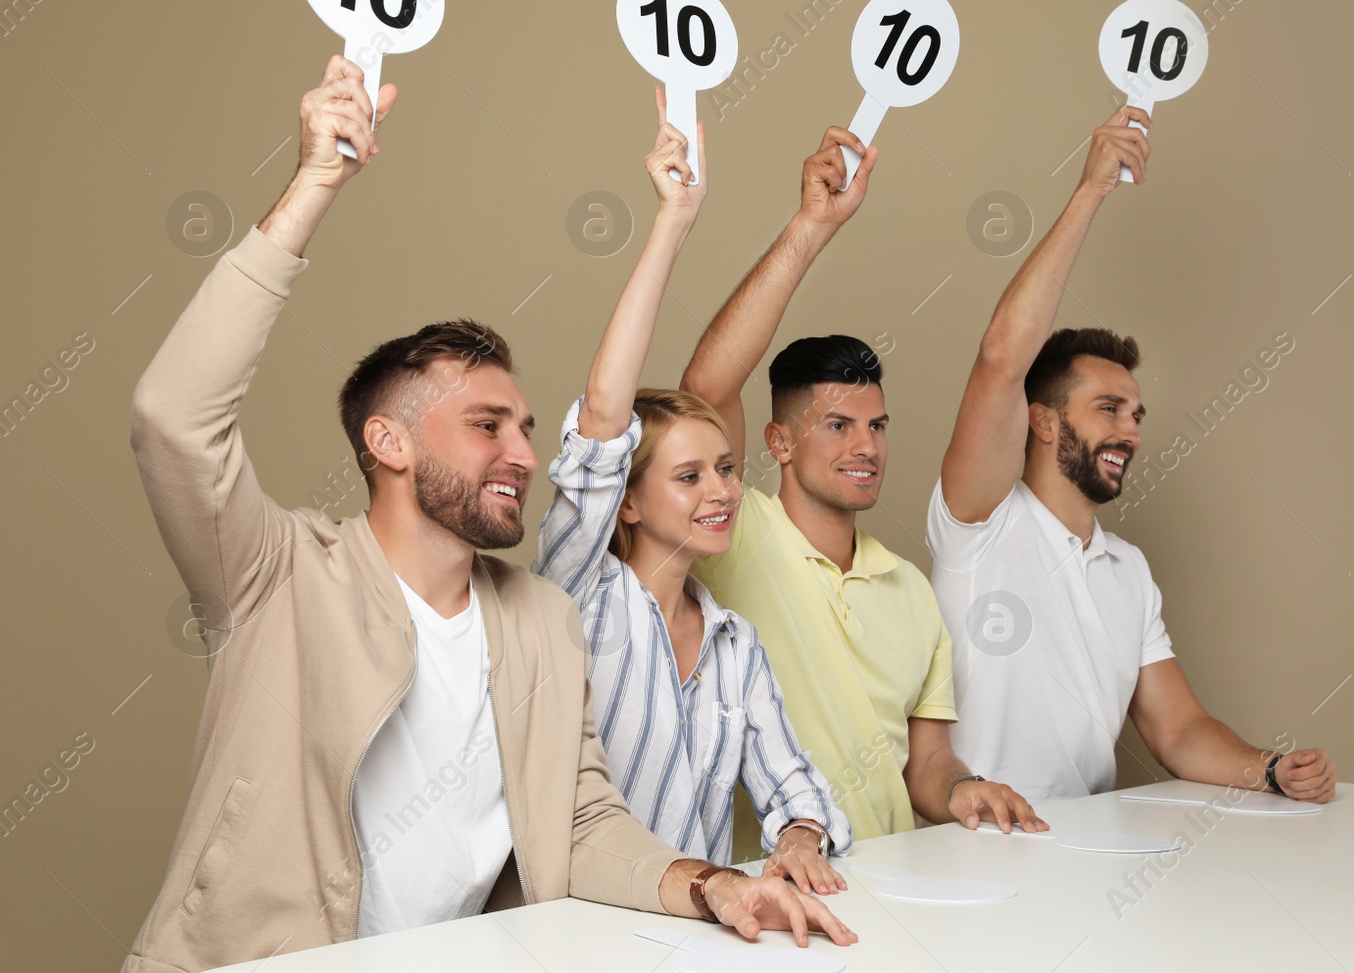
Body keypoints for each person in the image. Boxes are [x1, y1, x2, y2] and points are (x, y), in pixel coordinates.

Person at [123, 58, 852, 973]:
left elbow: (584, 822)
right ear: (389, 442)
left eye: (525, 428)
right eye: (485, 425)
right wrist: (314, 183)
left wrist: (713, 884)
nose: (521, 451)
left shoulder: (542, 620)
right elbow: (174, 418)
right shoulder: (278, 572)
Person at [928, 105, 1337, 805]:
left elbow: (1177, 728)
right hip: (972, 850)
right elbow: (1001, 356)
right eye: (1109, 409)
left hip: (1085, 855)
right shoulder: (979, 524)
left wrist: (1270, 769)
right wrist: (1091, 191)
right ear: (1045, 421)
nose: (1132, 431)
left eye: (1137, 414)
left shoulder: (1129, 572)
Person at [680, 128, 1047, 847]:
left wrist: (966, 788)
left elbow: (929, 764)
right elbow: (706, 386)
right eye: (838, 424)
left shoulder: (912, 590)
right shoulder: (735, 536)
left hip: (896, 898)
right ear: (779, 443)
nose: (865, 446)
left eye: (877, 426)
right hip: (774, 902)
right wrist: (811, 227)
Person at [536, 90, 852, 895]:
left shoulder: (735, 644)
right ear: (627, 503)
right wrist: (674, 219)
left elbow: (795, 787)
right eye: (688, 474)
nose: (720, 489)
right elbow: (604, 420)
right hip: (576, 933)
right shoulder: (575, 597)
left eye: (723, 468)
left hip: (697, 929)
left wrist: (802, 836)